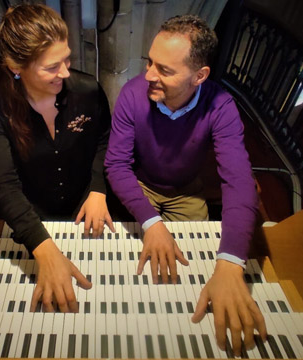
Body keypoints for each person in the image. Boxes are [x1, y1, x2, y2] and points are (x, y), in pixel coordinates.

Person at [104, 14, 267, 355]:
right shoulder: (133, 95)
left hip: (186, 190)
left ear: (200, 76)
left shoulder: (221, 106)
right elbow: (117, 165)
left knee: (196, 263)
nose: (148, 75)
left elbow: (238, 182)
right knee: (127, 261)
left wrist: (232, 262)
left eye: (164, 70)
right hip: (140, 183)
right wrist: (151, 223)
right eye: (150, 62)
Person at [0, 4, 114, 313]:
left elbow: (105, 139)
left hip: (86, 204)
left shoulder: (88, 91)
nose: (65, 72)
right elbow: (5, 185)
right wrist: (45, 250)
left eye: (67, 59)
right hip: (32, 216)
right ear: (15, 66)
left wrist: (97, 188)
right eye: (52, 66)